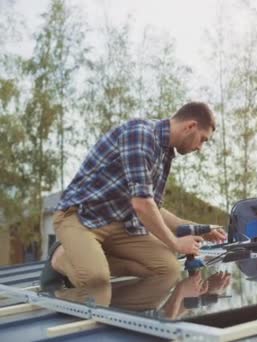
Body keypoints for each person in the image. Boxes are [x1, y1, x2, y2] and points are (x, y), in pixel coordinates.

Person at [40, 101, 226, 290]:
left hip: (120, 224)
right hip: (81, 216)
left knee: (167, 270)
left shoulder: (165, 153)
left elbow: (154, 209)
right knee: (96, 282)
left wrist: (199, 229)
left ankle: (89, 254)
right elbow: (142, 205)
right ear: (190, 126)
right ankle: (61, 256)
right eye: (203, 139)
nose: (200, 147)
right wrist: (177, 243)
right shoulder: (141, 134)